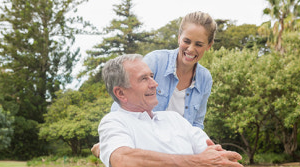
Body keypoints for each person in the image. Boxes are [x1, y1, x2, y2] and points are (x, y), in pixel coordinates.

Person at [98, 54, 299, 167]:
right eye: (144, 79)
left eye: (152, 76)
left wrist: (218, 160)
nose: (155, 83)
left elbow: (213, 156)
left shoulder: (176, 120)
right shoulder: (115, 122)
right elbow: (122, 161)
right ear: (120, 92)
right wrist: (196, 164)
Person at [92, 11, 216, 158]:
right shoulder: (155, 61)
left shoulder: (205, 78)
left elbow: (196, 123)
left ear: (209, 45)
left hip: (180, 149)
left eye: (199, 44)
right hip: (147, 144)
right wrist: (113, 138)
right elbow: (124, 101)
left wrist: (203, 146)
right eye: (186, 41)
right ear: (179, 38)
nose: (190, 49)